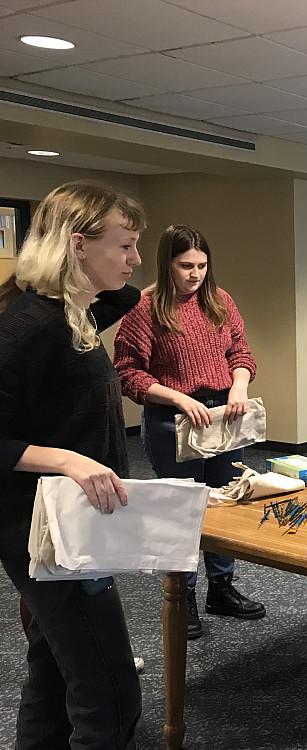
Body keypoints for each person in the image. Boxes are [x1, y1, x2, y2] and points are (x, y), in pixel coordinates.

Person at [0, 181, 145, 748]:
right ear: (77, 245)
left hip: (71, 527)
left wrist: (110, 284)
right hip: (43, 533)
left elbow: (124, 297)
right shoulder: (30, 325)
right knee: (108, 697)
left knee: (52, 676)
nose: (134, 260)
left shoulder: (70, 313)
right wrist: (66, 460)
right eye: (126, 245)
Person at [114, 224, 266, 640]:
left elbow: (241, 352)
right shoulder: (145, 309)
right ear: (167, 264)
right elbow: (128, 373)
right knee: (183, 511)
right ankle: (183, 599)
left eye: (201, 265)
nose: (195, 274)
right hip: (174, 418)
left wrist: (239, 385)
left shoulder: (219, 301)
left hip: (222, 414)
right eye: (185, 266)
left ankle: (221, 587)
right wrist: (179, 398)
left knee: (225, 501)